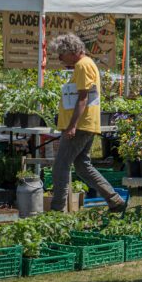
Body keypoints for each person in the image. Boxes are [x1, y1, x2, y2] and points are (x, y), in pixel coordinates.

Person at [49, 33, 125, 213]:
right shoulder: (84, 64)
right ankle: (115, 200)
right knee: (82, 166)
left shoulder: (83, 65)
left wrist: (72, 125)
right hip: (86, 124)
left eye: (61, 54)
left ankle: (56, 212)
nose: (59, 58)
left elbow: (82, 98)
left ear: (71, 51)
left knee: (60, 166)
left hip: (80, 125)